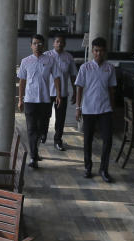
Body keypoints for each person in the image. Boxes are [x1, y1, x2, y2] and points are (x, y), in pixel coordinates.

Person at [75, 37, 117, 181]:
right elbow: (79, 88)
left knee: (108, 140)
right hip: (88, 109)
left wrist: (112, 107)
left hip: (105, 109)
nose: (99, 53)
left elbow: (112, 90)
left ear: (105, 52)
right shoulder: (85, 68)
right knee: (87, 140)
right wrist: (78, 107)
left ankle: (104, 169)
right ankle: (88, 167)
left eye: (101, 51)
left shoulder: (110, 68)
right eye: (96, 51)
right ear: (92, 51)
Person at [17, 34, 61, 169]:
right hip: (30, 100)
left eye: (40, 44)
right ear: (31, 45)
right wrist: (20, 99)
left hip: (45, 100)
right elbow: (22, 81)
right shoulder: (25, 61)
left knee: (42, 129)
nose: (37, 46)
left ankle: (35, 152)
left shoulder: (50, 60)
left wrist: (58, 95)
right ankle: (33, 157)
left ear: (44, 46)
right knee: (31, 129)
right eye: (35, 43)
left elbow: (56, 77)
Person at [46, 32, 77, 151]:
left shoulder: (68, 57)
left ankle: (58, 140)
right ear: (53, 43)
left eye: (61, 42)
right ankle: (43, 134)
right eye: (57, 41)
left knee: (60, 119)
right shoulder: (47, 56)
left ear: (65, 44)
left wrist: (74, 91)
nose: (59, 44)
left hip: (62, 93)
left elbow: (73, 75)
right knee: (45, 116)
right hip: (47, 93)